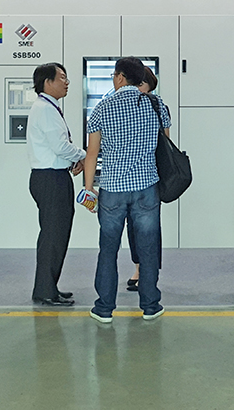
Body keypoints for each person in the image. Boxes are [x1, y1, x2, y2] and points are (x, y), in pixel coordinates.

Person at [84, 56, 168, 323]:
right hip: (147, 187)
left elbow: (92, 153)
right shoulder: (156, 105)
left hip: (112, 189)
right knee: (148, 248)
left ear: (120, 77)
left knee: (108, 249)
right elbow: (165, 147)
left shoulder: (102, 108)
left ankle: (104, 308)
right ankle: (151, 305)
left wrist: (89, 189)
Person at [26, 62, 85, 306]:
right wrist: (84, 156)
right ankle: (46, 291)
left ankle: (47, 287)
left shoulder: (47, 107)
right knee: (53, 236)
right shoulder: (46, 109)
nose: (66, 82)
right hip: (51, 179)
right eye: (62, 77)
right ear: (47, 82)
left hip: (51, 177)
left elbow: (57, 148)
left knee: (54, 235)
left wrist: (73, 159)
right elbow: (60, 146)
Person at [125, 66, 170, 292]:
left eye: (140, 84)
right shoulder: (125, 105)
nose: (136, 88)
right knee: (132, 226)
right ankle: (138, 267)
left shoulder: (157, 105)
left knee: (149, 227)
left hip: (149, 176)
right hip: (127, 177)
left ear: (149, 85)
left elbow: (166, 142)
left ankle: (148, 272)